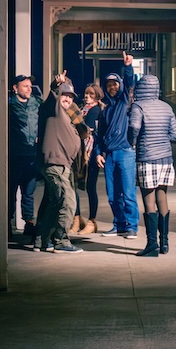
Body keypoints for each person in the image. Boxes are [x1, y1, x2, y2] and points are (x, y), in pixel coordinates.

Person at [35, 74, 88, 253]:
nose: (67, 99)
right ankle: (61, 241)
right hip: (55, 164)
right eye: (64, 95)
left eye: (70, 96)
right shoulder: (54, 110)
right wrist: (57, 84)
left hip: (64, 165)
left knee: (55, 202)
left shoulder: (69, 117)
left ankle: (42, 240)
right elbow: (53, 96)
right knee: (68, 201)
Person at [129, 74, 176, 256]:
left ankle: (152, 245)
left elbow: (134, 127)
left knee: (148, 200)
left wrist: (132, 141)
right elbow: (175, 135)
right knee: (162, 197)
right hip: (166, 158)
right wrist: (162, 139)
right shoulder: (166, 107)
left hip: (147, 157)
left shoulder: (138, 106)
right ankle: (164, 243)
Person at [96, 51, 139, 238]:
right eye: (109, 84)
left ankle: (132, 226)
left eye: (115, 83)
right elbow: (99, 135)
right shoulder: (105, 109)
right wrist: (98, 152)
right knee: (112, 195)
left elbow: (130, 84)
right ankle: (119, 224)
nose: (112, 86)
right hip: (110, 155)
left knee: (128, 192)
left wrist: (128, 67)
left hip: (126, 152)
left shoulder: (124, 102)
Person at [8, 74, 41, 239]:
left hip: (31, 155)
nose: (29, 89)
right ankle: (6, 224)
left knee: (29, 192)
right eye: (25, 86)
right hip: (14, 155)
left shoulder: (36, 103)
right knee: (11, 192)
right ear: (15, 88)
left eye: (30, 86)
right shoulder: (9, 105)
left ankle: (29, 223)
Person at [69, 83, 105, 235]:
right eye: (86, 94)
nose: (87, 97)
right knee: (74, 185)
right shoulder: (81, 109)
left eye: (91, 95)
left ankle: (92, 221)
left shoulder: (97, 110)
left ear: (97, 96)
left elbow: (88, 130)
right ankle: (77, 219)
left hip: (90, 155)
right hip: (77, 153)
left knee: (91, 187)